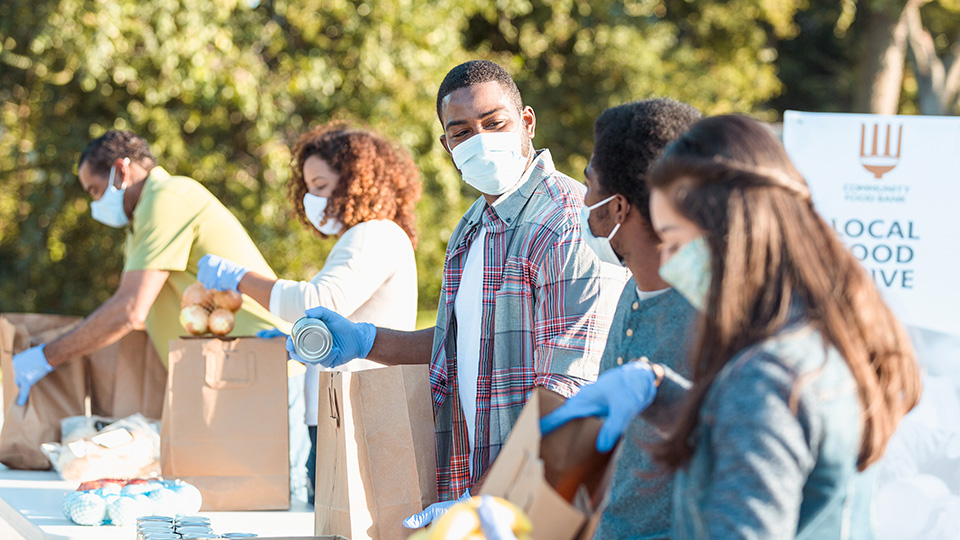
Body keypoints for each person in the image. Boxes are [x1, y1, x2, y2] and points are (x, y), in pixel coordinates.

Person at [543, 115, 921, 538]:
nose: (667, 261)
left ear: (729, 231)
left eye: (675, 241)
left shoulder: (767, 377)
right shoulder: (817, 336)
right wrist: (660, 391)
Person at [287, 60, 628, 524]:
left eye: (495, 123)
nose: (482, 139)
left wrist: (486, 499)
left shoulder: (566, 223)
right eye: (463, 131)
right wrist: (368, 339)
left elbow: (570, 392)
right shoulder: (472, 227)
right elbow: (460, 342)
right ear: (446, 144)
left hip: (541, 502)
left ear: (527, 122)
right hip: (475, 487)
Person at [196, 124, 421, 502]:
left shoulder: (374, 234)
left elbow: (320, 300)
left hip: (359, 416)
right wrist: (300, 344)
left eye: (319, 185)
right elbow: (342, 320)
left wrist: (239, 278)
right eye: (309, 188)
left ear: (355, 180)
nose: (312, 199)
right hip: (342, 414)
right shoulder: (365, 237)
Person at [12, 130, 288, 406]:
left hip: (260, 366)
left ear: (121, 170)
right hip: (231, 373)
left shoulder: (166, 198)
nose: (96, 205)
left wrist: (45, 357)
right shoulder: (141, 218)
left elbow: (129, 310)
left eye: (95, 191)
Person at [577, 98, 700, 540]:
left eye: (589, 184)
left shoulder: (711, 317)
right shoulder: (633, 287)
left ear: (617, 207)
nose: (583, 199)